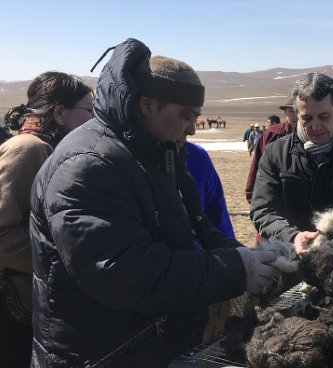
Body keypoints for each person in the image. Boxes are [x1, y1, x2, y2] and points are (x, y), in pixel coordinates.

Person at [28, 38, 281, 368]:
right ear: (146, 105)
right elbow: (123, 272)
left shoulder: (156, 151)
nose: (192, 128)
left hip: (147, 344)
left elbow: (195, 227)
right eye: (185, 115)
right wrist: (236, 269)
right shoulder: (89, 165)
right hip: (103, 354)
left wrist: (248, 255)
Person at [0, 71, 94, 368]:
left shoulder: (50, 151)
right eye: (88, 111)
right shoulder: (29, 149)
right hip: (12, 307)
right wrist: (60, 264)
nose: (93, 120)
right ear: (60, 112)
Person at [250, 72, 333, 254]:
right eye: (307, 119)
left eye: (323, 117)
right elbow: (263, 210)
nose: (315, 126)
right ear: (296, 114)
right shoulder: (275, 154)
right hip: (288, 260)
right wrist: (292, 236)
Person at [245, 95, 298, 204]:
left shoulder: (315, 133)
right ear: (285, 112)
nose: (295, 116)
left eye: (298, 110)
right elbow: (257, 164)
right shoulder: (272, 133)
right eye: (291, 111)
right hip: (273, 196)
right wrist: (252, 194)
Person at [185, 142, 235, 237]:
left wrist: (232, 250)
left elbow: (217, 213)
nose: (191, 130)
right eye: (179, 125)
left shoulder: (197, 155)